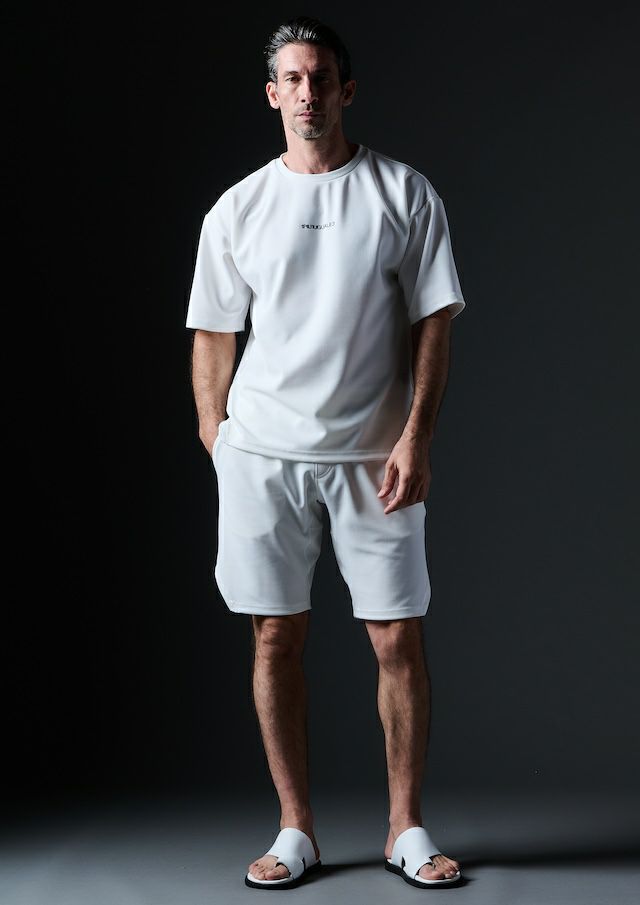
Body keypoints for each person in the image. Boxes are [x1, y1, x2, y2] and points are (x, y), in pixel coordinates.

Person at [186, 15, 466, 891]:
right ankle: (295, 828)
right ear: (272, 94)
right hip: (264, 454)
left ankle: (405, 827)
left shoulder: (404, 194)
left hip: (376, 457)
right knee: (275, 635)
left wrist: (417, 434)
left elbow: (433, 323)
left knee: (396, 637)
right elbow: (213, 331)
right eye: (293, 79)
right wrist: (217, 435)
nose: (308, 93)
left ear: (347, 90)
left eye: (321, 78)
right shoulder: (238, 208)